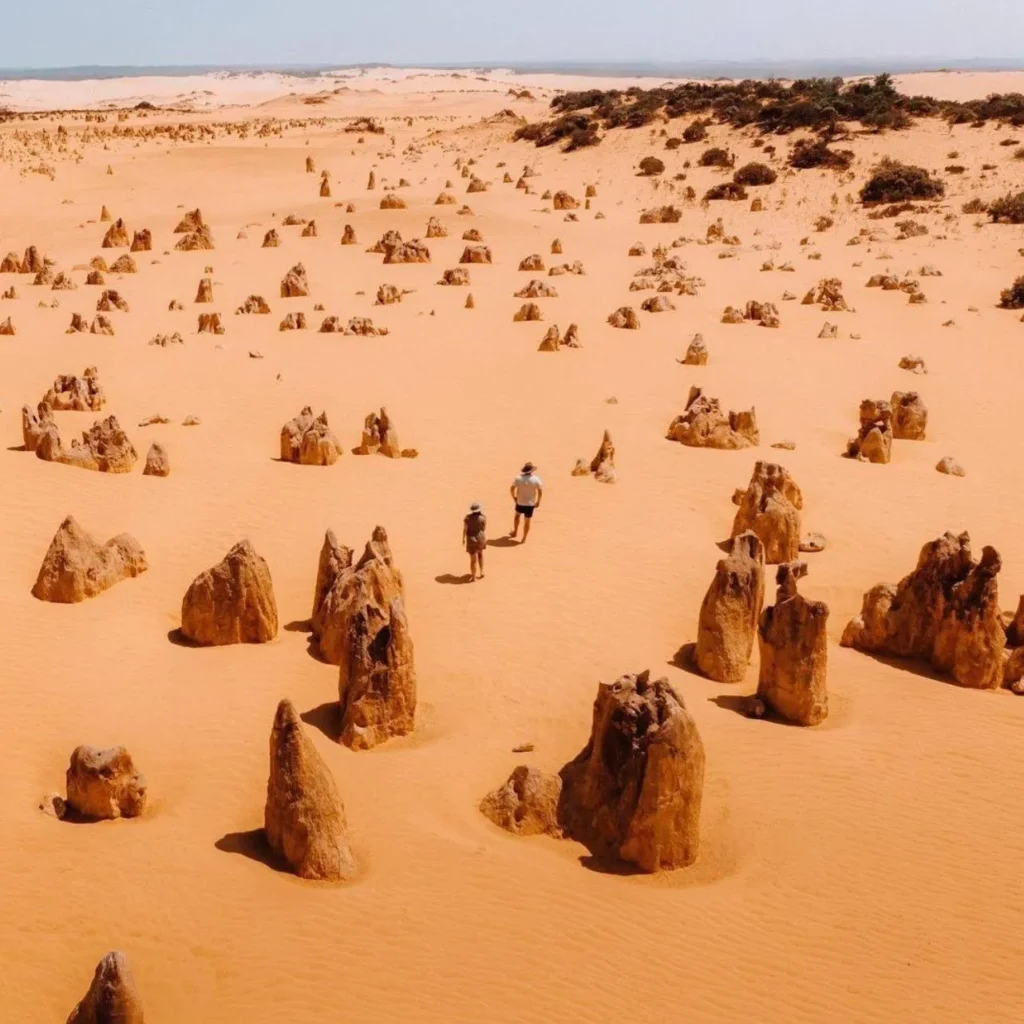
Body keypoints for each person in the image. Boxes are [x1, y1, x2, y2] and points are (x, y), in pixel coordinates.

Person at [509, 462, 543, 543]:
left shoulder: (518, 478)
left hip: (520, 502)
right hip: (530, 504)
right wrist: (538, 501)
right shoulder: (536, 479)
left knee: (517, 516)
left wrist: (514, 497)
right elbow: (540, 491)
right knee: (527, 521)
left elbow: (512, 488)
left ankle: (515, 532)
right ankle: (524, 538)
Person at [462, 502, 487, 580]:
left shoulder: (467, 518)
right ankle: (482, 571)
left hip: (471, 540)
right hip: (481, 538)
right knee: (480, 555)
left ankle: (473, 577)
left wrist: (463, 539)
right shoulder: (483, 518)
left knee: (473, 560)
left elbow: (465, 530)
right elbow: (484, 528)